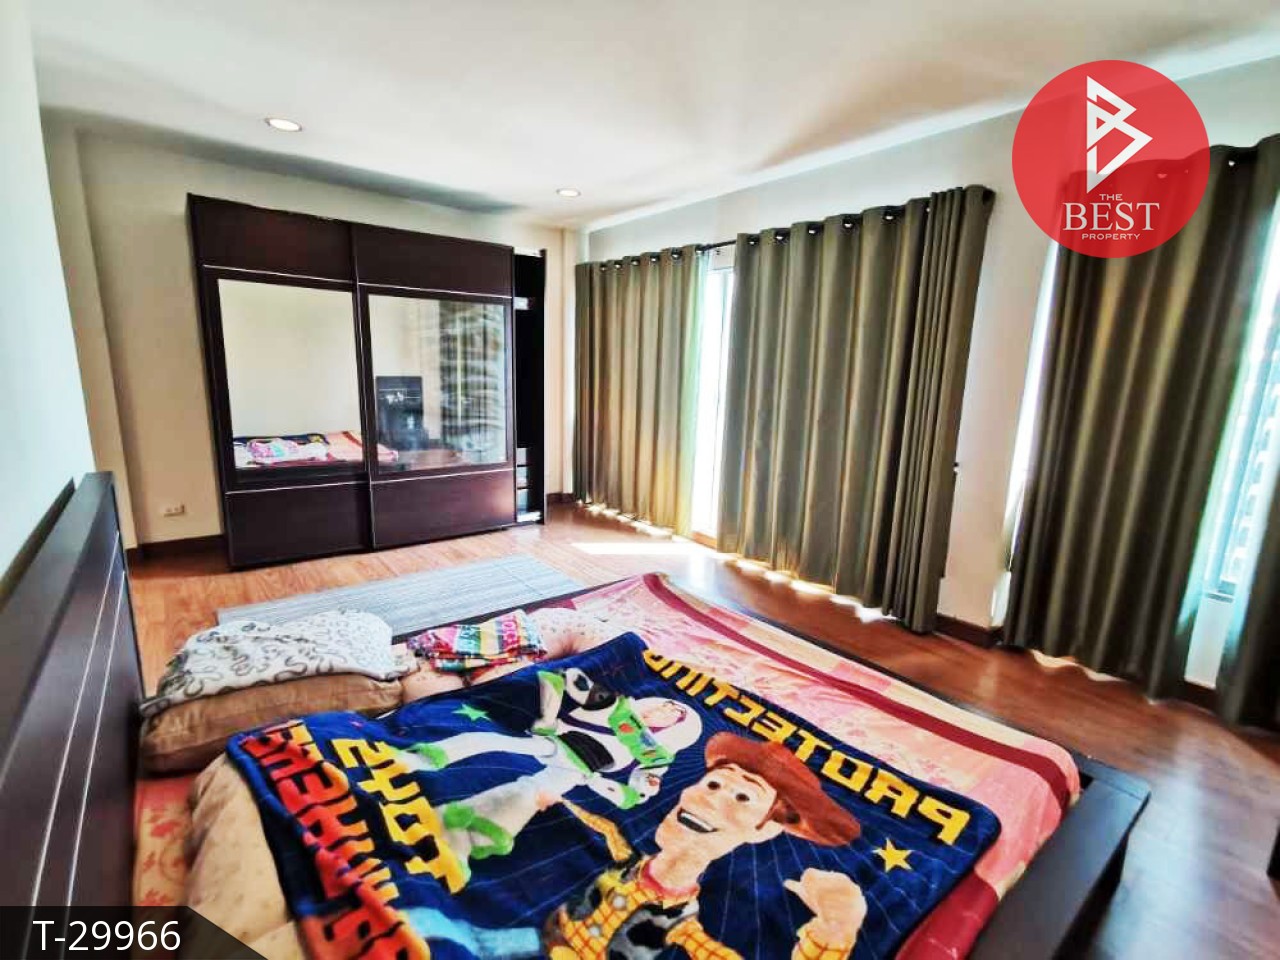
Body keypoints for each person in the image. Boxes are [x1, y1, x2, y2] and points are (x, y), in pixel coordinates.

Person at [543, 731, 866, 960]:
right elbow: (607, 829)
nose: (709, 798)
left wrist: (834, 931)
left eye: (743, 797)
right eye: (713, 783)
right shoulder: (628, 861)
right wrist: (558, 800)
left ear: (764, 831)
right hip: (541, 938)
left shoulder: (680, 922)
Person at [399, 667, 703, 869]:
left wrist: (603, 785)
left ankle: (471, 833)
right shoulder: (618, 709)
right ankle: (424, 759)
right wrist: (566, 685)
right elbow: (580, 684)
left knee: (529, 795)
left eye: (669, 713)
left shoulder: (656, 755)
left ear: (675, 726)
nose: (660, 711)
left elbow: (636, 794)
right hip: (561, 745)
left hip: (579, 771)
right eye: (663, 706)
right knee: (493, 742)